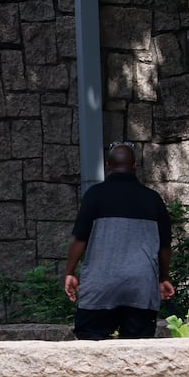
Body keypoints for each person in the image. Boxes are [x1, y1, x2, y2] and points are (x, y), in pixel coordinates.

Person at [63, 141, 175, 340]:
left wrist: (70, 272)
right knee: (138, 353)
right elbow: (165, 246)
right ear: (134, 166)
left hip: (100, 287)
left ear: (108, 166)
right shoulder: (152, 199)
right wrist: (163, 278)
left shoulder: (95, 195)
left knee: (89, 348)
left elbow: (79, 239)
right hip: (140, 288)